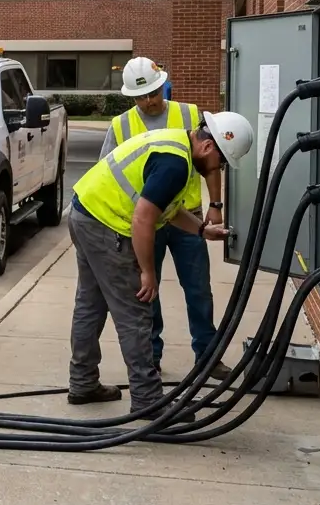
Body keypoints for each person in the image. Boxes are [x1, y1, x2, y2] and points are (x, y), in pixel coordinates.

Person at [67, 110, 253, 417]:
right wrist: (148, 273)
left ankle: (83, 381)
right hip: (105, 224)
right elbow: (143, 219)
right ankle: (148, 401)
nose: (218, 168)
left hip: (86, 213)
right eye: (220, 161)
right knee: (135, 313)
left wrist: (201, 230)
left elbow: (168, 209)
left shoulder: (176, 146)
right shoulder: (175, 164)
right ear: (207, 148)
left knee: (91, 304)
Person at [101, 57, 231, 378]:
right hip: (147, 221)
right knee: (148, 289)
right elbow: (107, 171)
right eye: (142, 97)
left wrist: (215, 203)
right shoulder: (120, 126)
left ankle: (207, 355)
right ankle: (152, 357)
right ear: (132, 97)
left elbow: (211, 158)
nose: (150, 101)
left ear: (163, 86)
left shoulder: (188, 113)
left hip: (188, 218)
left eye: (155, 93)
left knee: (198, 288)